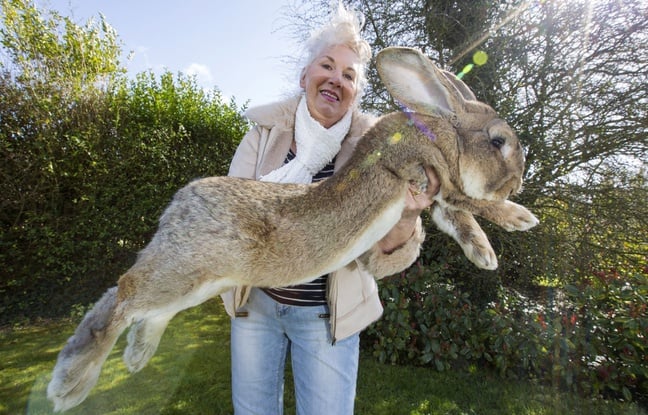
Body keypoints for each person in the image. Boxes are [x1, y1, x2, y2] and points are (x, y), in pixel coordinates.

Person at [220, 4, 439, 414]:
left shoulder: (376, 152)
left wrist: (407, 214)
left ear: (356, 94)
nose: (336, 80)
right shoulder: (263, 136)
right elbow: (232, 216)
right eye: (328, 66)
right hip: (258, 306)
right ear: (305, 76)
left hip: (327, 316)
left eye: (349, 76)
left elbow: (380, 256)